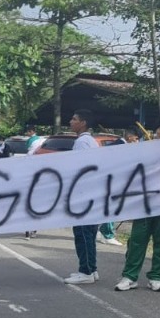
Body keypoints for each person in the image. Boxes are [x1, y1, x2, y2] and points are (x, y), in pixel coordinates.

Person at [115, 116, 160, 292]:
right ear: (155, 130)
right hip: (144, 202)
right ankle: (129, 276)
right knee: (137, 240)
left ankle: (156, 277)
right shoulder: (143, 149)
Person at [64, 109, 103, 285]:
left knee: (83, 233)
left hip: (83, 195)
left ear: (83, 123)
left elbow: (79, 168)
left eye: (74, 119)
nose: (71, 122)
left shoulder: (82, 142)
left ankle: (86, 271)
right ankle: (91, 269)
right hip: (92, 194)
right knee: (89, 233)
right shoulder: (92, 142)